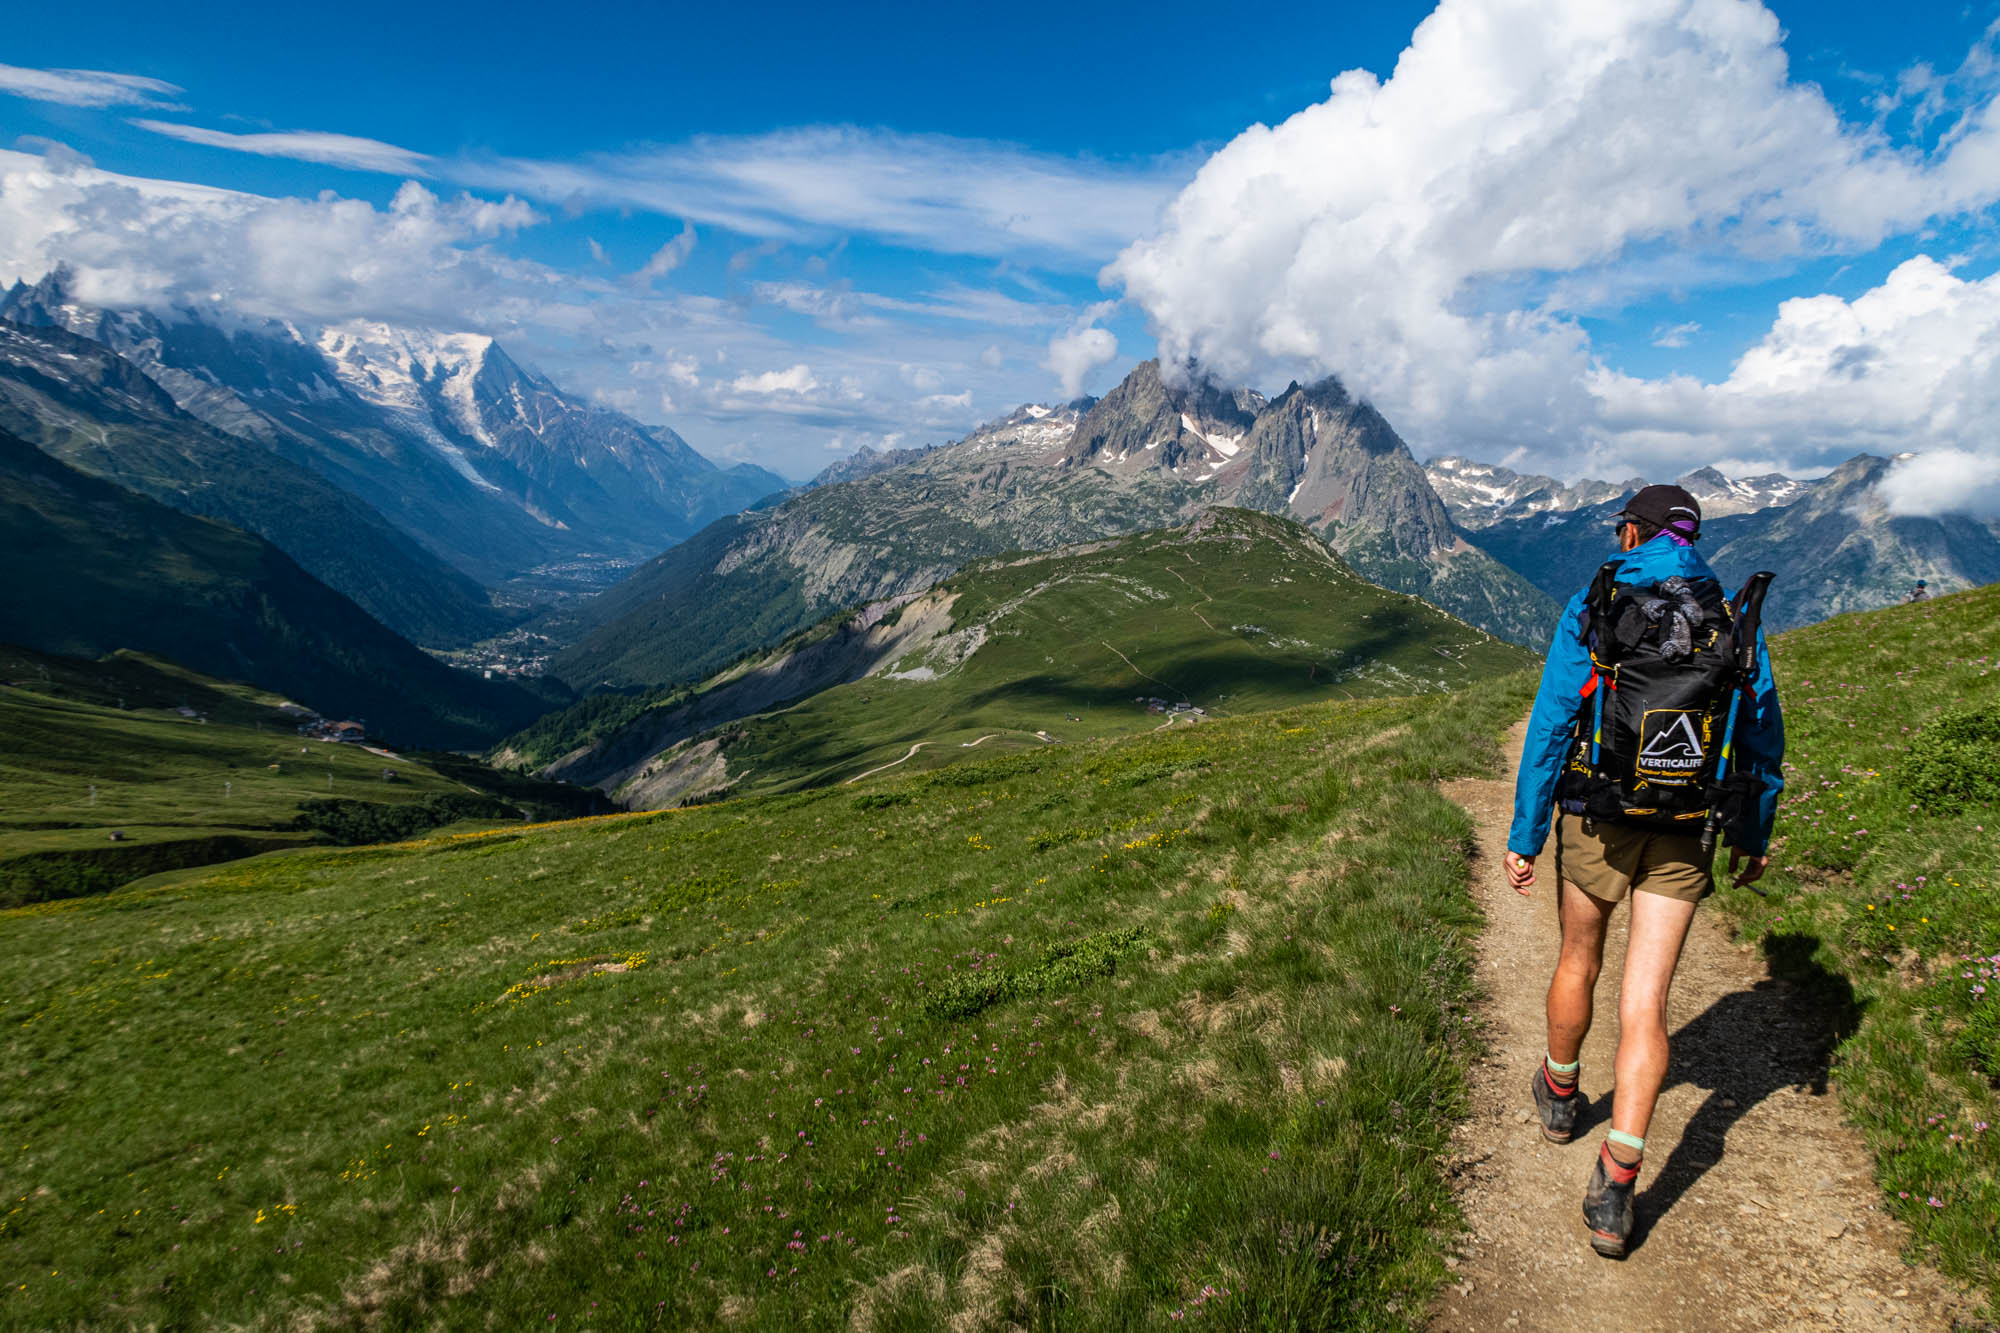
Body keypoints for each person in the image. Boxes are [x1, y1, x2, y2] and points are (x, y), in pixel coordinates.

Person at [1503, 483, 1784, 1257]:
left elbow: (1554, 719)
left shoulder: (1597, 602)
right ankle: (1618, 1184)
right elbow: (1761, 736)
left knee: (1578, 955)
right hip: (1686, 829)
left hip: (1599, 815)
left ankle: (1560, 1093)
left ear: (1636, 530)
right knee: (1647, 1002)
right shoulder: (1729, 615)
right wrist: (1752, 833)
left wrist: (1526, 833)